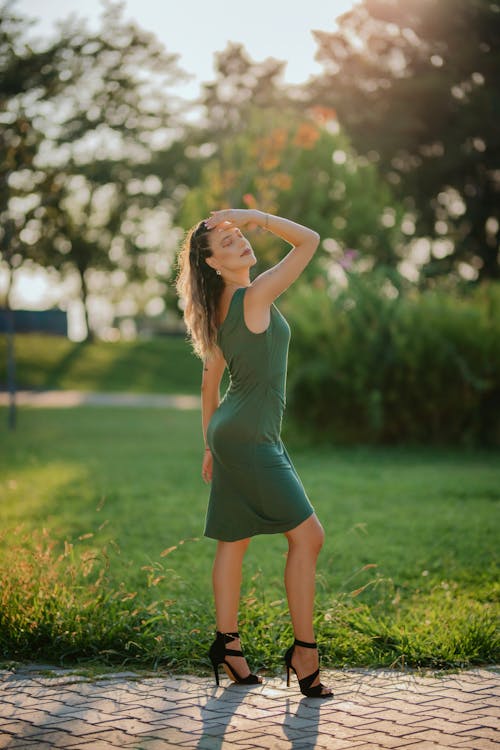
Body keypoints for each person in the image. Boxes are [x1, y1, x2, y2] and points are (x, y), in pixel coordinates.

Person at [176, 208, 332, 698]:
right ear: (212, 264)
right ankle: (304, 652)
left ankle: (229, 647)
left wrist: (209, 443)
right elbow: (309, 239)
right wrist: (255, 214)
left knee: (233, 539)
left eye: (239, 234)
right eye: (227, 243)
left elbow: (208, 384)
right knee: (309, 538)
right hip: (251, 437)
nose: (241, 241)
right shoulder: (254, 293)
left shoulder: (218, 306)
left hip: (231, 432)